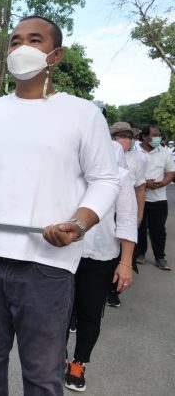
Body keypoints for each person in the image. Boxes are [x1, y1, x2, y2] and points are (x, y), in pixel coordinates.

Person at [0, 16, 119, 395]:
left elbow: (106, 179)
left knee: (42, 374)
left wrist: (80, 222)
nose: (21, 48)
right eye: (15, 41)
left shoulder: (82, 113)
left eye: (34, 40)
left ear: (55, 55)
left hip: (47, 266)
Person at [64, 146, 137, 392]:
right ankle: (55, 359)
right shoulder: (67, 169)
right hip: (61, 252)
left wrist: (125, 263)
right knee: (56, 312)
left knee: (89, 314)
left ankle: (78, 363)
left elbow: (127, 220)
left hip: (101, 256)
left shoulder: (120, 175)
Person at [108, 121, 146, 307]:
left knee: (122, 254)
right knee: (105, 253)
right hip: (105, 212)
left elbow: (140, 189)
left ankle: (114, 291)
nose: (126, 140)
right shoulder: (103, 155)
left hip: (126, 210)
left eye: (129, 136)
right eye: (121, 136)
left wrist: (138, 216)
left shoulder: (137, 160)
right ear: (112, 138)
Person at [135, 124, 175, 270]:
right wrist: (144, 183)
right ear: (144, 137)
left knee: (158, 229)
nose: (158, 138)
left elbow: (171, 171)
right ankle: (140, 254)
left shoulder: (164, 152)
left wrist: (164, 182)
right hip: (138, 198)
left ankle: (160, 257)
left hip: (159, 198)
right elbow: (126, 172)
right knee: (138, 228)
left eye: (159, 135)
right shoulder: (134, 151)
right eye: (154, 135)